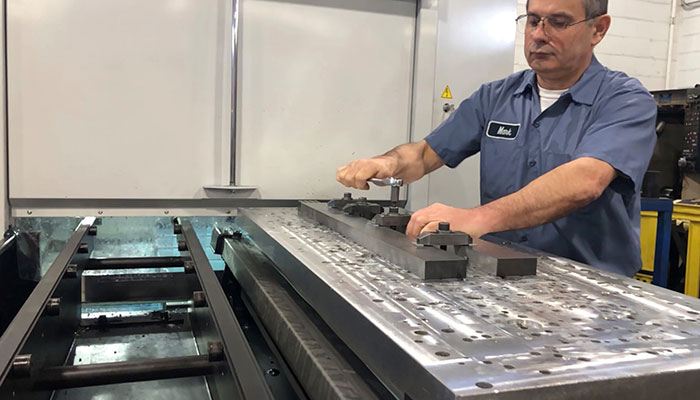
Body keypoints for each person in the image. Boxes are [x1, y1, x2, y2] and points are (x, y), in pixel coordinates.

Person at [335, 0, 657, 277]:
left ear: (598, 29)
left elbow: (585, 181)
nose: (539, 35)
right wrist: (386, 162)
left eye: (558, 22)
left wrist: (476, 217)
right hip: (501, 278)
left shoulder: (624, 101)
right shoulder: (495, 97)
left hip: (591, 292)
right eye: (532, 21)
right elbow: (422, 156)